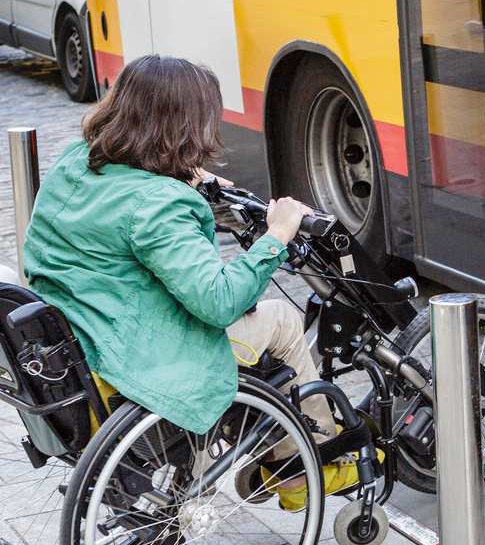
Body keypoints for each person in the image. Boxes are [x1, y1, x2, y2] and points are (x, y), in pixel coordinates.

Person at [22, 54, 352, 510]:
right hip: (136, 352)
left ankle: (264, 444)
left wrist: (181, 178)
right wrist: (276, 235)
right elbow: (218, 302)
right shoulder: (158, 205)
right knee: (280, 322)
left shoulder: (76, 162)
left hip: (82, 327)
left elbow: (121, 220)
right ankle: (301, 467)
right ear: (183, 127)